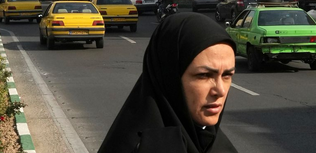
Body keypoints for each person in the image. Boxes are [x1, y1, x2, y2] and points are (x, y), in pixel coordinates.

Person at [97, 13, 238, 153]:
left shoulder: (214, 143)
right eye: (204, 75)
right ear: (169, 78)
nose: (220, 91)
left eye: (227, 75)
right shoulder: (141, 147)